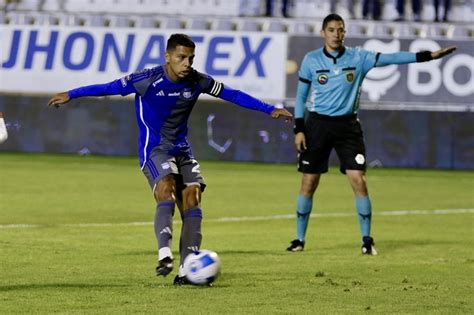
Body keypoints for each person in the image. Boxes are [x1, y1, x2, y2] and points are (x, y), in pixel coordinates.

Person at [48, 33, 292, 285]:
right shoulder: (146, 80)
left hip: (182, 149)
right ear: (168, 56)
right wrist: (71, 94)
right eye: (181, 57)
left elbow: (233, 94)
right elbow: (108, 87)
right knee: (166, 189)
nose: (187, 63)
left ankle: (187, 269)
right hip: (154, 150)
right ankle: (164, 254)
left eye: (191, 58)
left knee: (192, 196)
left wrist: (270, 109)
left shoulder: (198, 81)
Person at [286, 14, 456, 254]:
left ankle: (367, 240)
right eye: (332, 30)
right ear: (323, 33)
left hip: (348, 127)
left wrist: (428, 56)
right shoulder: (311, 60)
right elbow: (301, 97)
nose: (336, 34)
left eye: (340, 30)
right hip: (317, 126)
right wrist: (299, 129)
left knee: (359, 180)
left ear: (345, 33)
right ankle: (299, 240)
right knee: (309, 182)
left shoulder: (359, 58)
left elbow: (393, 58)